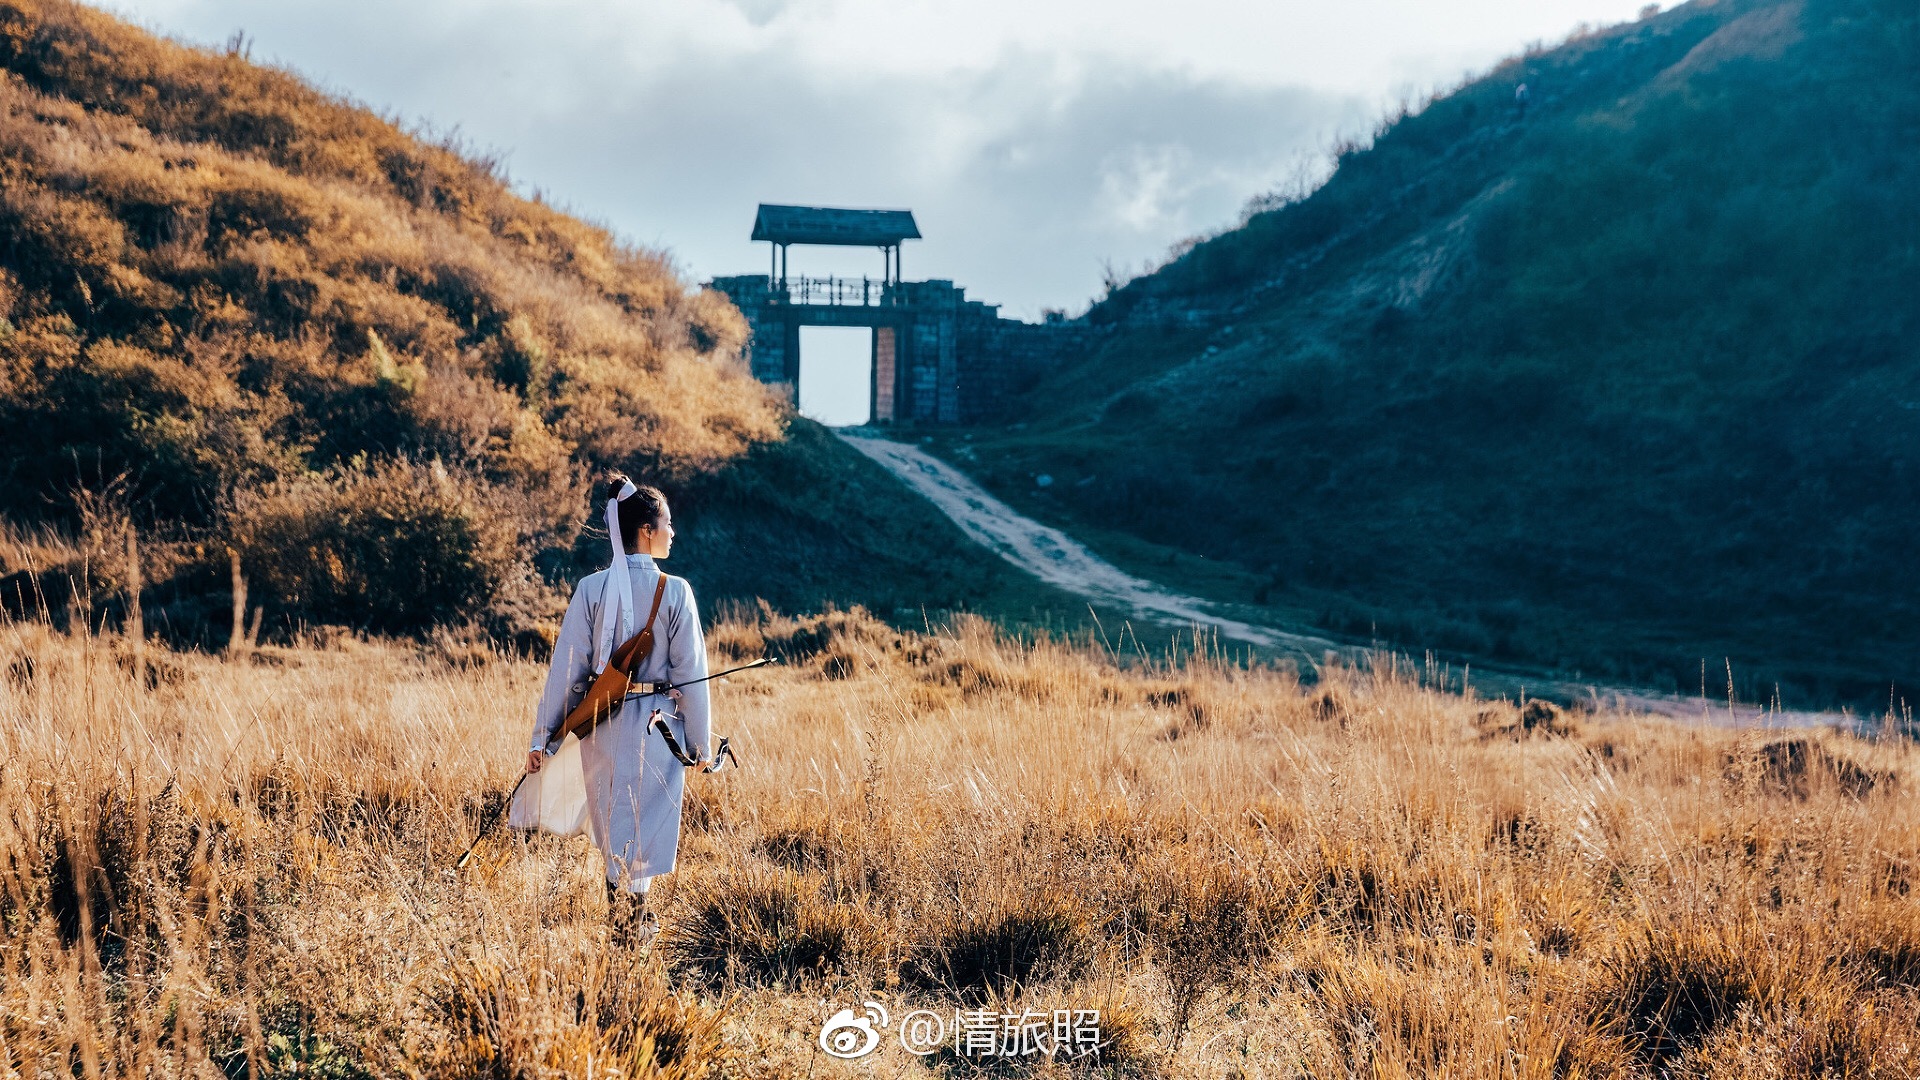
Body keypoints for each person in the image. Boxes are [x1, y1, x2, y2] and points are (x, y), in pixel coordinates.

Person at [522, 475, 711, 945]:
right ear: (646, 530)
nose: (673, 533)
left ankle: (625, 927)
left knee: (614, 826)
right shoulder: (676, 590)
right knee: (642, 828)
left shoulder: (590, 589)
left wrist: (542, 739)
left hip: (601, 724)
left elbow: (567, 670)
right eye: (668, 524)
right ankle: (635, 928)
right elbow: (692, 675)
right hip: (659, 729)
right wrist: (700, 743)